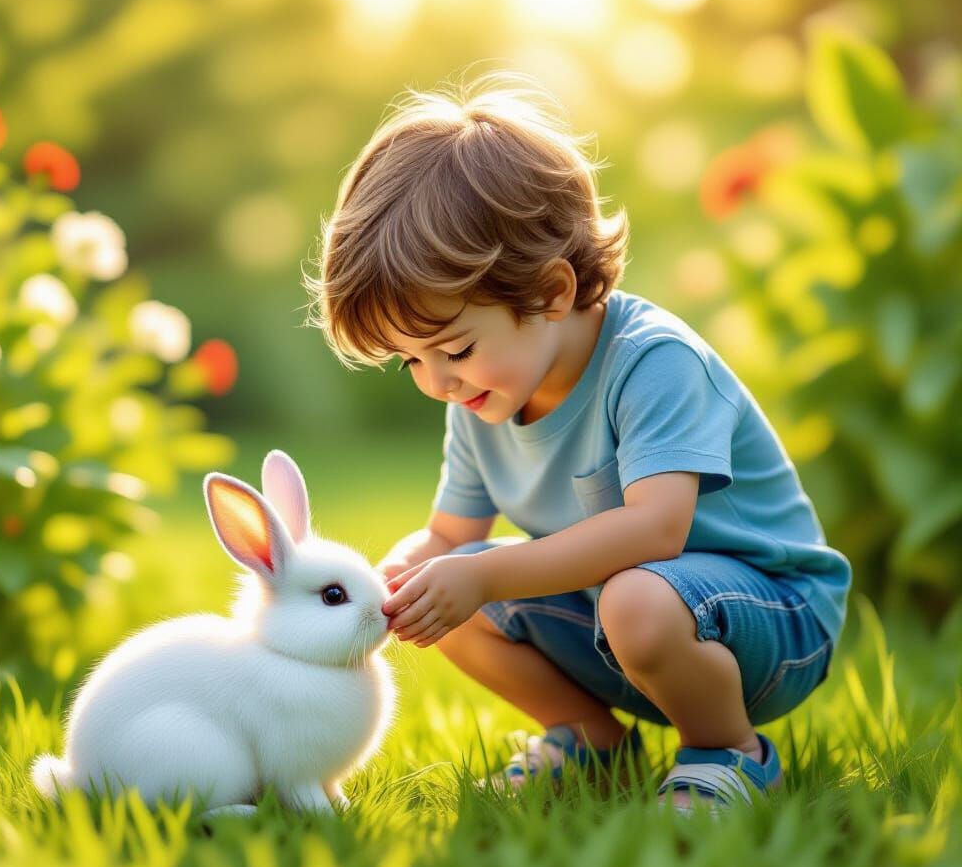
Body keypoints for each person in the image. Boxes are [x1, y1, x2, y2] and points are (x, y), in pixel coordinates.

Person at [301, 71, 852, 813]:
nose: (437, 383)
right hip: (631, 615)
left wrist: (486, 579)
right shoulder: (482, 396)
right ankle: (593, 743)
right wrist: (403, 576)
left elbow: (658, 530)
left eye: (454, 350)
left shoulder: (653, 362)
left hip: (773, 619)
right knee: (451, 590)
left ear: (554, 292)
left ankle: (732, 754)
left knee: (627, 599)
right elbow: (450, 536)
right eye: (412, 361)